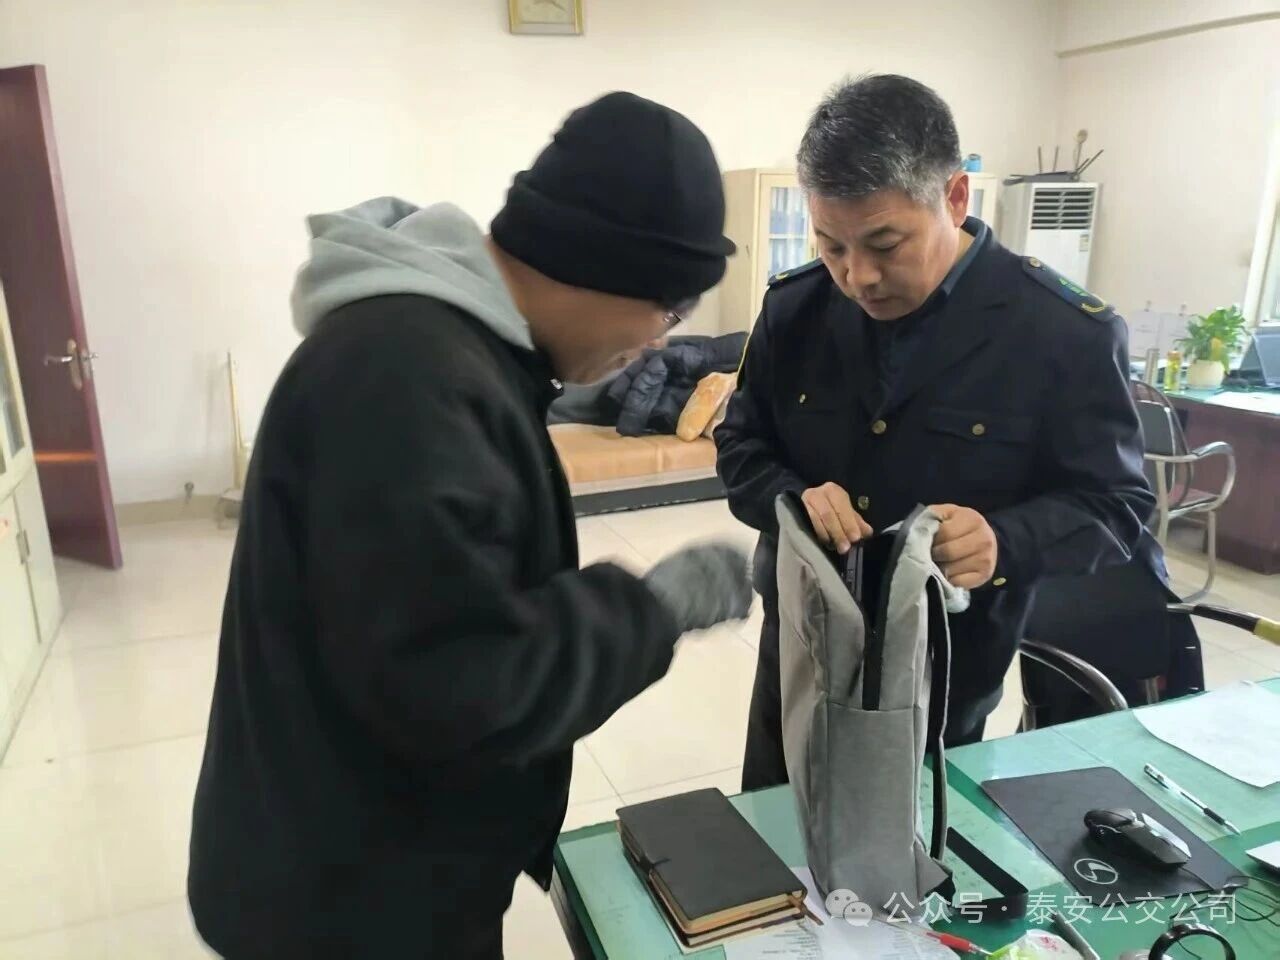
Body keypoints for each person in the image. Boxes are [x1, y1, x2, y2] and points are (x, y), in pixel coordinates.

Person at [188, 91, 754, 959]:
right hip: (351, 904)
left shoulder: (442, 351)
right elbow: (460, 685)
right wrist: (650, 609)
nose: (656, 344)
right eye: (670, 315)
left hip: (369, 855)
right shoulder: (410, 379)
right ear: (608, 269)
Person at [715, 75, 1155, 791]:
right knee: (774, 820)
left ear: (955, 197)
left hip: (949, 661)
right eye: (831, 245)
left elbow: (1118, 506)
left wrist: (1003, 541)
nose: (857, 276)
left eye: (885, 244)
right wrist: (790, 498)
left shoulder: (1060, 333)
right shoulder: (795, 311)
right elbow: (740, 446)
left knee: (920, 832)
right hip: (801, 641)